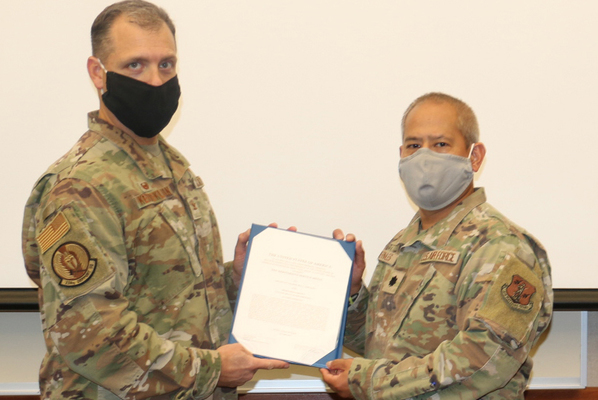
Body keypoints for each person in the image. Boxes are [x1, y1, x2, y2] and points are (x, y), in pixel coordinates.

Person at [21, 1, 289, 399]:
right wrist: (212, 369)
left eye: (166, 65)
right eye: (135, 65)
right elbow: (90, 335)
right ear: (98, 73)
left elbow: (166, 294)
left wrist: (232, 280)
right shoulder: (79, 185)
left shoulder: (169, 164)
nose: (155, 80)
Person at [321, 92, 553, 399]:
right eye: (414, 146)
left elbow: (485, 361)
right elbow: (379, 344)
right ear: (401, 155)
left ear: (474, 156)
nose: (424, 157)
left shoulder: (501, 245)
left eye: (441, 144)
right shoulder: (402, 244)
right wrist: (352, 293)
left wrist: (369, 381)